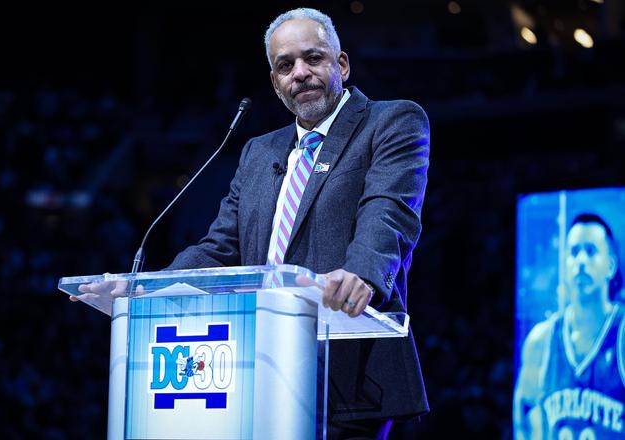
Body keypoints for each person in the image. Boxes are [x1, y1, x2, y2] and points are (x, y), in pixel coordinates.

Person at [78, 7, 430, 439]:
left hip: (349, 370)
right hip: (257, 365)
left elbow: (388, 210)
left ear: (341, 64)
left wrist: (362, 273)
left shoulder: (390, 122)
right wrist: (144, 289)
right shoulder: (260, 151)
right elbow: (220, 248)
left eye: (313, 58)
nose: (300, 73)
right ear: (275, 83)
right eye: (285, 65)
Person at [513, 213, 625, 440]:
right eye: (574, 252)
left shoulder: (621, 333)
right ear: (565, 265)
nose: (581, 260)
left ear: (610, 266)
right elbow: (522, 421)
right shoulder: (541, 340)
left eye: (591, 251)